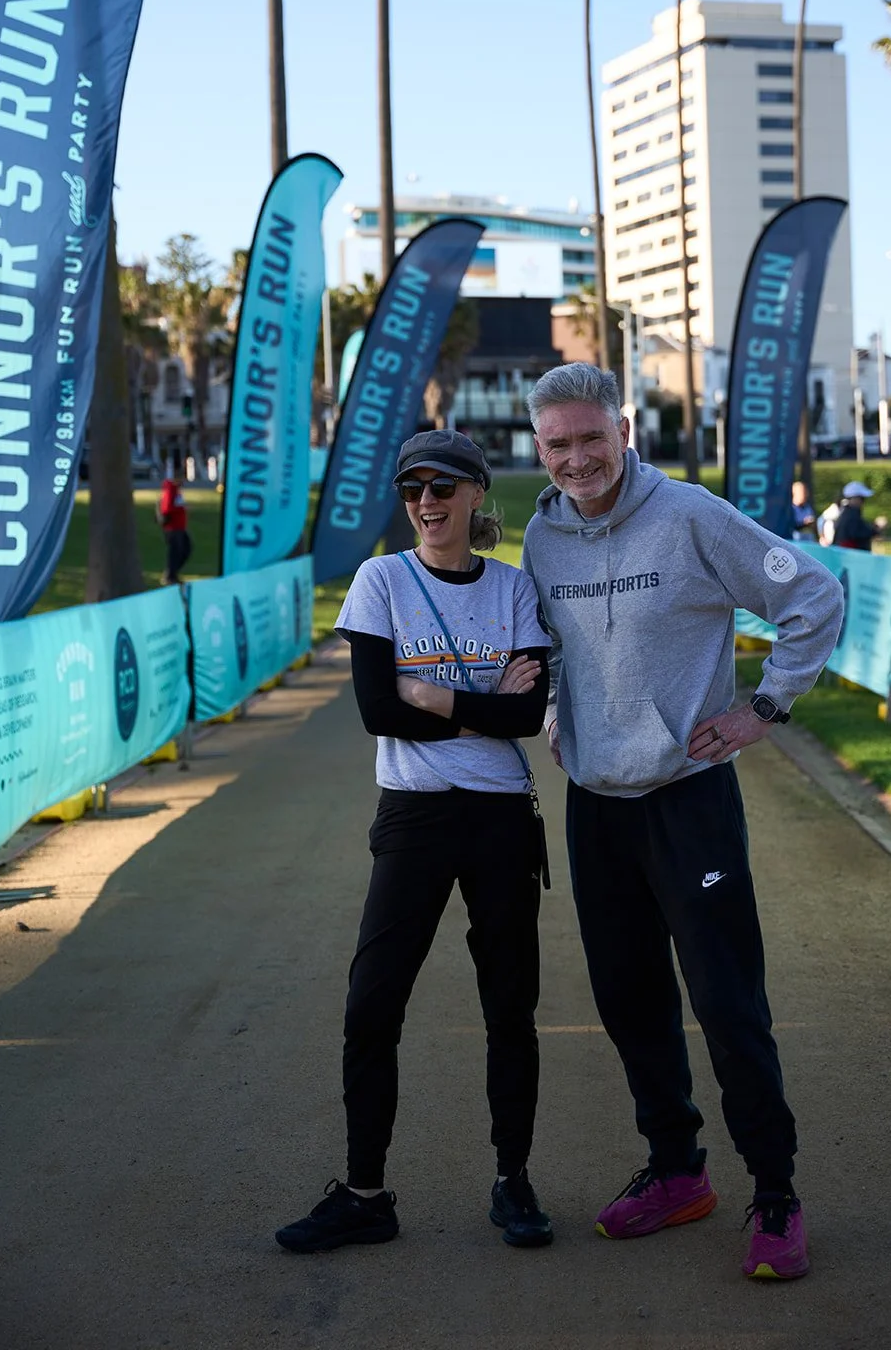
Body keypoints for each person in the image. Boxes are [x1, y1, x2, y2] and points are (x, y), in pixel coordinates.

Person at [520, 364, 843, 1282]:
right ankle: (676, 1171)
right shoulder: (542, 537)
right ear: (538, 450)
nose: (577, 459)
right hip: (597, 808)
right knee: (629, 1004)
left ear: (623, 430)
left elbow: (810, 595)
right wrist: (553, 717)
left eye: (591, 437)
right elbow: (548, 651)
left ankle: (774, 1192)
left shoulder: (691, 515)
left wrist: (762, 710)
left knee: (726, 1003)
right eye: (558, 445)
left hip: (689, 800)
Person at [276, 429, 554, 1255]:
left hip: (501, 814)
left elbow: (526, 719)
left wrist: (427, 692)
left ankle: (513, 1181)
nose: (426, 503)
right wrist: (474, 699)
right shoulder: (381, 580)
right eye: (411, 491)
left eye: (442, 487)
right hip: (414, 815)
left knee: (509, 1006)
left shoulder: (511, 589)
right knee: (372, 1005)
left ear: (475, 494)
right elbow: (375, 710)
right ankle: (365, 1192)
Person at [832, 481, 887, 551]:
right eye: (862, 499)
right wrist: (876, 529)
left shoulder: (848, 513)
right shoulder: (851, 515)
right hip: (850, 558)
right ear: (854, 499)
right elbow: (857, 533)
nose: (863, 502)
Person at [159, 466, 191, 583]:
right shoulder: (170, 490)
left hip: (180, 527)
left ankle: (172, 573)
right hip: (173, 528)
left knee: (185, 549)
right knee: (176, 552)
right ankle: (170, 575)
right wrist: (180, 508)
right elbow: (167, 509)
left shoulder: (176, 490)